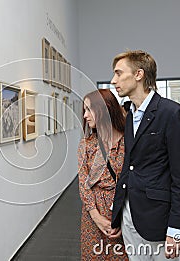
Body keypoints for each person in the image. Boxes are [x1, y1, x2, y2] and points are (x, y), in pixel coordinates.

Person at [109, 50, 180, 260]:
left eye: (119, 73)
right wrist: (118, 210)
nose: (113, 80)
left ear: (138, 74)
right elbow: (130, 164)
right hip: (129, 214)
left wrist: (176, 228)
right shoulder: (130, 115)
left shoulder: (171, 113)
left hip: (159, 218)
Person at [77, 89, 128, 260]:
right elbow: (84, 184)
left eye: (89, 109)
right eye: (84, 110)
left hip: (124, 208)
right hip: (93, 213)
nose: (85, 115)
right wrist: (96, 217)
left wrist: (121, 218)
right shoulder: (86, 145)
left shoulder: (129, 142)